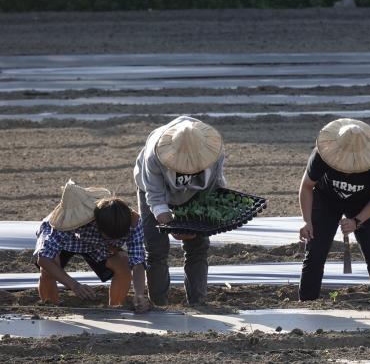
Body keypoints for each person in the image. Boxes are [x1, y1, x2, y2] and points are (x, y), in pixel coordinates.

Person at [134, 116, 226, 305]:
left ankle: (198, 301)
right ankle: (159, 302)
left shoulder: (214, 151)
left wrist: (197, 223)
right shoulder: (154, 154)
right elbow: (155, 196)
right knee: (155, 248)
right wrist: (169, 224)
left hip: (194, 194)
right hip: (153, 191)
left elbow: (213, 189)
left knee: (198, 247)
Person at [298, 118, 370, 300]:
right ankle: (307, 303)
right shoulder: (321, 154)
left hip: (363, 203)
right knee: (315, 253)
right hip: (326, 200)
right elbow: (307, 186)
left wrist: (357, 220)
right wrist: (307, 220)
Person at [34, 180, 148, 311]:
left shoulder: (133, 221)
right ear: (97, 225)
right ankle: (51, 309)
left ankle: (115, 309)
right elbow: (44, 259)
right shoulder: (62, 223)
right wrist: (74, 285)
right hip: (69, 241)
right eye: (109, 236)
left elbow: (138, 262)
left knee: (123, 262)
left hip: (96, 244)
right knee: (49, 269)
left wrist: (139, 294)